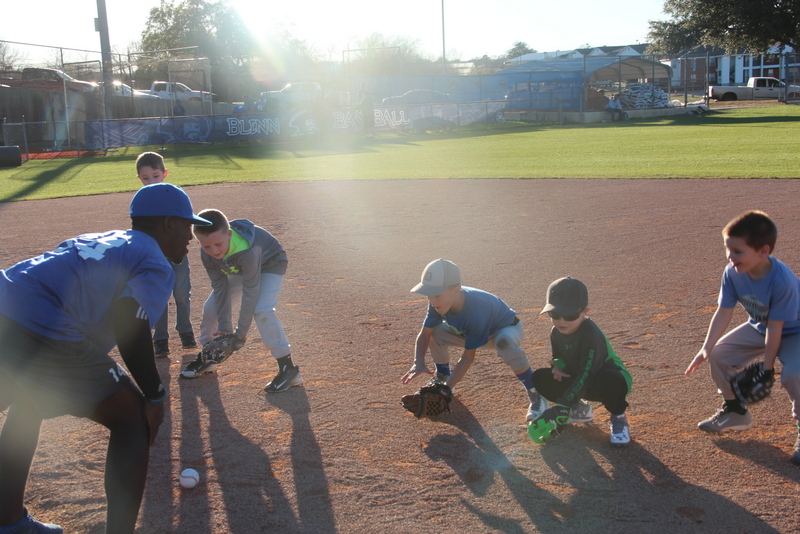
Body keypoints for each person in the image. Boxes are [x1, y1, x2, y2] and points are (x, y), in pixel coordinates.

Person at [0, 183, 211, 534]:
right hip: (45, 325)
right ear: (168, 224)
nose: (191, 236)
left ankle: (8, 520)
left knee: (29, 400)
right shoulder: (155, 262)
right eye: (187, 225)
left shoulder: (101, 239)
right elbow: (130, 320)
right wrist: (155, 395)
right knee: (133, 420)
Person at [686, 211, 800, 465]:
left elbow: (777, 329)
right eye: (728, 249)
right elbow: (724, 311)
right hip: (761, 327)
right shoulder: (733, 272)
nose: (730, 256)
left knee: (795, 375)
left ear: (763, 251)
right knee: (719, 355)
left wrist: (768, 369)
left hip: (794, 331)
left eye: (738, 251)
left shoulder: (782, 281)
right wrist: (706, 347)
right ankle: (736, 411)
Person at [401, 259, 547, 423]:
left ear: (456, 290)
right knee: (436, 332)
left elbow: (468, 357)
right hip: (471, 332)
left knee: (504, 343)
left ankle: (536, 393)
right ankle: (443, 376)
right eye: (428, 294)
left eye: (436, 295)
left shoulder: (476, 310)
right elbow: (425, 334)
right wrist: (418, 362)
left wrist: (445, 391)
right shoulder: (439, 302)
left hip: (505, 329)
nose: (431, 301)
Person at [180, 209, 300, 393]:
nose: (214, 251)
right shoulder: (207, 254)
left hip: (270, 263)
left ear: (228, 234)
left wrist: (240, 335)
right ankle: (209, 357)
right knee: (210, 308)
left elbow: (250, 293)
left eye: (218, 244)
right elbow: (220, 287)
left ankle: (288, 368)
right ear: (199, 242)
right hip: (240, 268)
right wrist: (225, 325)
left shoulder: (248, 251)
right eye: (207, 246)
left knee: (262, 310)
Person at [531, 277, 633, 446]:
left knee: (610, 379)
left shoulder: (591, 334)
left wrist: (563, 405)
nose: (561, 321)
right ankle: (580, 409)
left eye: (570, 315)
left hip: (605, 381)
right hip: (580, 378)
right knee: (540, 377)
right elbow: (558, 356)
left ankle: (618, 417)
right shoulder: (556, 332)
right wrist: (559, 366)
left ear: (585, 311)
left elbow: (588, 372)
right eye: (555, 315)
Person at [135, 152, 197, 357]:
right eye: (146, 178)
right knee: (159, 297)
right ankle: (160, 338)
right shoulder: (141, 201)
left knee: (182, 294)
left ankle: (186, 332)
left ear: (165, 174)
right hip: (154, 258)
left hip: (177, 255)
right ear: (139, 179)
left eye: (156, 176)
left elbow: (186, 221)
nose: (151, 181)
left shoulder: (175, 196)